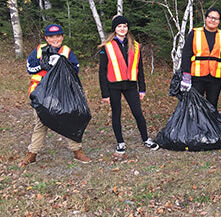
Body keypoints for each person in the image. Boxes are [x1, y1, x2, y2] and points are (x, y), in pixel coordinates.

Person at [20, 24, 92, 167]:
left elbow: (75, 70)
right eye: (51, 36)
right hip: (41, 93)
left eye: (58, 36)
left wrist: (60, 64)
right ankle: (32, 153)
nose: (55, 39)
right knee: (41, 123)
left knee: (71, 119)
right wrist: (42, 65)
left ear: (62, 37)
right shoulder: (39, 50)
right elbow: (30, 68)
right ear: (46, 38)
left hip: (61, 93)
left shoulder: (66, 51)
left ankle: (77, 150)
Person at [99, 16, 159, 156]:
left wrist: (142, 88)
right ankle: (120, 142)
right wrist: (105, 93)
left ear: (127, 28)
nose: (122, 29)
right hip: (113, 86)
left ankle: (146, 139)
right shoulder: (106, 47)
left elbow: (140, 69)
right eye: (119, 26)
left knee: (138, 113)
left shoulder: (136, 46)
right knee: (116, 114)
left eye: (125, 26)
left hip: (131, 85)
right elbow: (102, 72)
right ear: (115, 28)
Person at [180, 8, 221, 109]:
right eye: (211, 17)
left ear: (219, 21)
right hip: (197, 77)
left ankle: (210, 125)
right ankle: (195, 125)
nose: (213, 20)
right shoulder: (194, 33)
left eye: (216, 18)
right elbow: (186, 55)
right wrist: (186, 76)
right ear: (206, 18)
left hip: (216, 78)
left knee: (212, 106)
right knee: (195, 105)